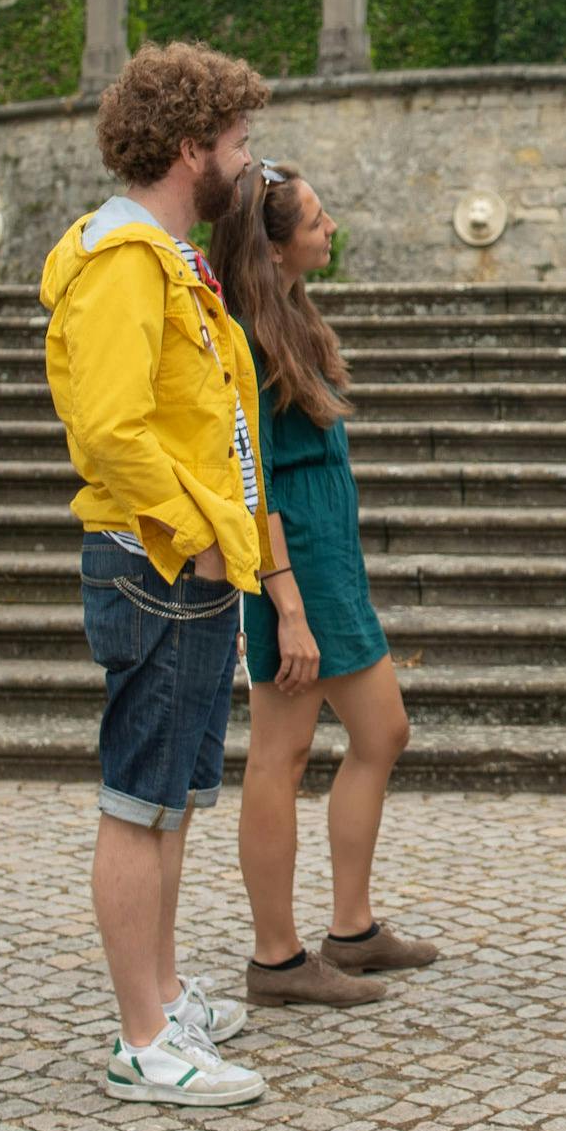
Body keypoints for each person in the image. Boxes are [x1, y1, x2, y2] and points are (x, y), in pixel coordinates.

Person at [38, 40, 273, 1107]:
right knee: (137, 802)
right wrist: (199, 532)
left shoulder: (168, 255)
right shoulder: (125, 264)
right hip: (156, 561)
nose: (247, 158)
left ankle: (164, 993)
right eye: (237, 141)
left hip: (184, 560)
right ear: (192, 150)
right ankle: (143, 1038)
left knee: (171, 798)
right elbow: (111, 429)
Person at [211, 160, 438, 1011]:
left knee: (381, 732)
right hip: (289, 566)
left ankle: (353, 928)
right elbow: (251, 476)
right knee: (281, 753)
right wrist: (288, 607)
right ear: (273, 246)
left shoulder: (292, 315)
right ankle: (276, 959)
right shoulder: (244, 333)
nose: (332, 224)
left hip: (327, 561)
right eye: (316, 217)